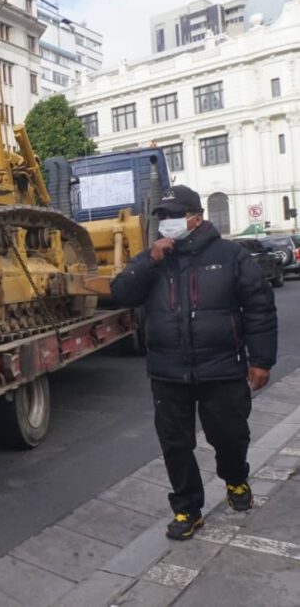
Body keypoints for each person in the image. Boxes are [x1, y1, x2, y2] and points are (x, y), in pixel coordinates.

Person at [111, 185, 277, 541]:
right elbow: (120, 293)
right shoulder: (154, 260)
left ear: (196, 217)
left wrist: (261, 360)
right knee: (175, 444)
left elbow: (260, 308)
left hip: (222, 368)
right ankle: (187, 508)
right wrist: (147, 260)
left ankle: (235, 480)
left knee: (230, 436)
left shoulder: (231, 255)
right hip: (168, 372)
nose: (167, 223)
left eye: (174, 216)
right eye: (163, 218)